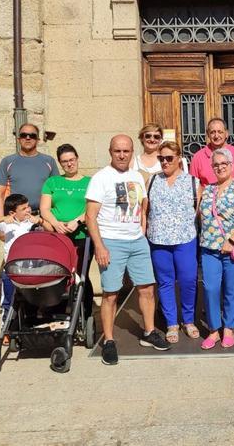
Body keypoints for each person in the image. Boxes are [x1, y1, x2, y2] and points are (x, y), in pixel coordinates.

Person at [86, 134, 170, 366]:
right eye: (117, 151)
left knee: (146, 289)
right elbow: (90, 216)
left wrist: (142, 228)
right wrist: (99, 246)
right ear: (110, 152)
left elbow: (142, 206)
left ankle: (149, 331)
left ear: (132, 152)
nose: (122, 155)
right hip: (111, 242)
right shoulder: (101, 178)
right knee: (111, 294)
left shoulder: (137, 176)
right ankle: (109, 340)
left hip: (137, 241)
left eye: (126, 151)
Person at [146, 141, 202, 344]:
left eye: (169, 158)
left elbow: (198, 212)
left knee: (188, 280)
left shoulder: (193, 182)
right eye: (161, 158)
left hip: (185, 239)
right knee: (165, 282)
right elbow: (146, 208)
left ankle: (188, 320)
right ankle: (171, 323)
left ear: (179, 158)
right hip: (158, 240)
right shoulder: (152, 181)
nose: (165, 162)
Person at [198, 148, 234, 349]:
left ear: (231, 166)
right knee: (211, 288)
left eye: (224, 164)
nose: (220, 167)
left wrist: (231, 241)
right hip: (209, 248)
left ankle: (229, 328)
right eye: (216, 164)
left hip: (233, 249)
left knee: (232, 289)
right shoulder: (208, 190)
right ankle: (214, 330)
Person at [40, 143, 95, 320]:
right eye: (65, 162)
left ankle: (84, 314)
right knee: (57, 273)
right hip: (57, 237)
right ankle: (55, 313)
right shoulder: (52, 182)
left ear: (77, 159)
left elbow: (94, 208)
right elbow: (45, 209)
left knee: (80, 274)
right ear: (60, 163)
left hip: (82, 235)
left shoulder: (90, 182)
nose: (69, 164)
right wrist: (56, 224)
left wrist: (77, 220)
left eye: (72, 160)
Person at [0, 193, 43, 322]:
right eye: (23, 209)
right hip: (11, 269)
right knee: (9, 301)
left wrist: (40, 221)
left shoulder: (31, 223)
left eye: (28, 207)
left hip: (31, 269)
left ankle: (30, 326)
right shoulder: (6, 224)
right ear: (12, 212)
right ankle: (7, 327)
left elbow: (48, 227)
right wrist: (3, 218)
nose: (28, 210)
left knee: (31, 301)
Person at [0, 123, 59, 216]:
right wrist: (1, 222)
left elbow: (56, 192)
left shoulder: (49, 161)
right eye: (24, 135)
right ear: (18, 139)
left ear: (38, 140)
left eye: (32, 135)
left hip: (42, 217)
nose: (28, 138)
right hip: (15, 218)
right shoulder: (7, 161)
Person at [189, 118, 234, 186]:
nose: (216, 136)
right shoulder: (198, 157)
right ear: (208, 134)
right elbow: (193, 186)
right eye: (212, 132)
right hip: (209, 195)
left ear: (226, 134)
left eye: (220, 132)